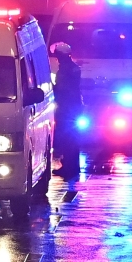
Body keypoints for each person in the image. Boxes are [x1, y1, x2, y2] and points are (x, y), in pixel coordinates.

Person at [51, 41, 82, 179]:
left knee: (67, 138)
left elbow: (62, 89)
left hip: (66, 108)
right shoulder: (73, 67)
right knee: (73, 138)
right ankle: (72, 166)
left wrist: (51, 87)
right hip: (74, 107)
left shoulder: (65, 70)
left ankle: (69, 167)